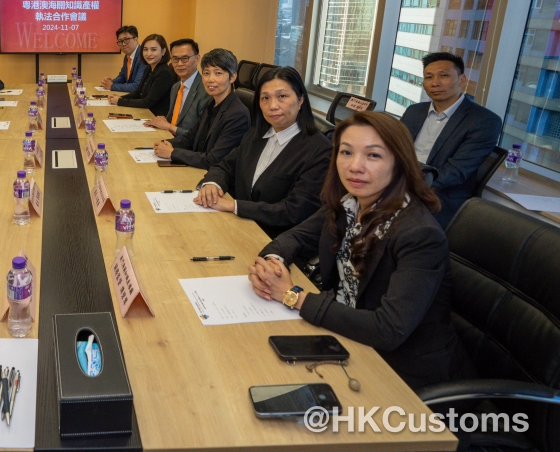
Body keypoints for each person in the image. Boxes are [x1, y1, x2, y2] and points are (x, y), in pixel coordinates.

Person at [249, 112, 472, 390]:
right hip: (344, 335)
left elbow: (388, 329)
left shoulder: (420, 234)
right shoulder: (350, 203)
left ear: (399, 162)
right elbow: (296, 236)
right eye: (346, 152)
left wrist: (292, 295)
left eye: (373, 155)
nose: (355, 166)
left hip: (400, 368)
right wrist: (272, 265)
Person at [195, 66, 331, 238]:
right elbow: (225, 166)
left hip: (274, 240)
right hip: (237, 227)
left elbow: (294, 211)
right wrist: (212, 185)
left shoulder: (320, 151)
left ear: (300, 100)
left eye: (282, 96)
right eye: (265, 98)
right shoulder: (256, 135)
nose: (273, 106)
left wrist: (233, 206)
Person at [399, 51, 502, 227]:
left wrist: (407, 186)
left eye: (444, 75)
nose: (435, 83)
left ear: (462, 80)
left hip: (440, 196)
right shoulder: (414, 111)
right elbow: (394, 151)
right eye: (428, 77)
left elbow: (455, 172)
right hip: (400, 186)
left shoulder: (484, 121)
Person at [152, 48, 249, 170]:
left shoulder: (237, 115)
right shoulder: (211, 103)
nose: (210, 79)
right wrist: (166, 143)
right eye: (206, 73)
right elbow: (191, 137)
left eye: (218, 73)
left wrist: (173, 153)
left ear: (233, 77)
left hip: (214, 177)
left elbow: (214, 160)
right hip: (197, 169)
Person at [143, 38, 208, 137]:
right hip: (167, 138)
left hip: (185, 144)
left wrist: (169, 127)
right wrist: (163, 120)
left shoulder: (206, 90)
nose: (179, 64)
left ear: (197, 59)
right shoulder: (175, 87)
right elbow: (172, 121)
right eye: (175, 59)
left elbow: (201, 136)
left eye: (185, 58)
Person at [108, 34, 175, 116]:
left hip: (154, 117)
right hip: (144, 113)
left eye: (153, 50)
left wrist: (120, 101)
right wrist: (121, 97)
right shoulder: (149, 68)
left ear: (163, 51)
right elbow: (139, 92)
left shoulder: (164, 73)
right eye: (145, 49)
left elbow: (147, 102)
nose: (148, 53)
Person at [101, 25, 144, 92]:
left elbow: (137, 86)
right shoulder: (127, 56)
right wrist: (109, 82)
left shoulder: (143, 56)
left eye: (126, 40)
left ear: (136, 39)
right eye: (120, 41)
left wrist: (112, 86)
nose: (123, 44)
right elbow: (123, 77)